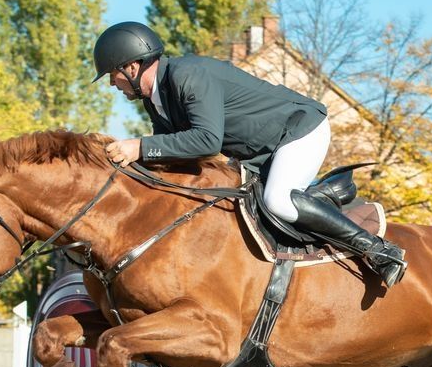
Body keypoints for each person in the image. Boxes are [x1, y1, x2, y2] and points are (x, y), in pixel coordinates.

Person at [93, 21, 407, 287]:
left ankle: (379, 251)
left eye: (112, 74)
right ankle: (319, 198)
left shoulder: (186, 75)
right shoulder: (156, 99)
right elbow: (171, 157)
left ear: (132, 66)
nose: (111, 83)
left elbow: (206, 141)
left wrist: (139, 147)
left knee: (278, 200)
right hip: (262, 153)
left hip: (298, 131)